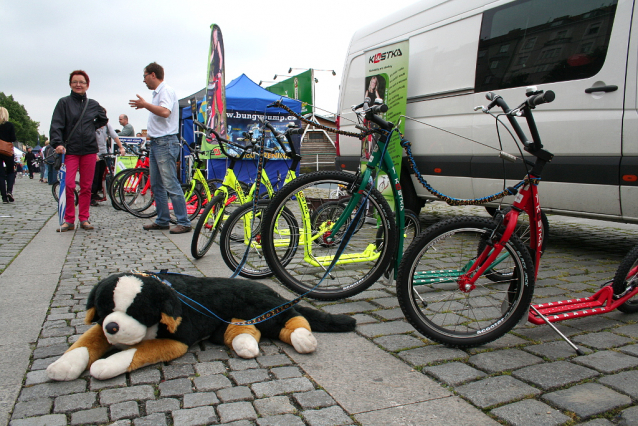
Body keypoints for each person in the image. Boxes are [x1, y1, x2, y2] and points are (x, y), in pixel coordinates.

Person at [129, 62, 191, 234]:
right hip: (158, 142)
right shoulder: (159, 93)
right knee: (156, 184)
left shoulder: (165, 91)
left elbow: (165, 112)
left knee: (171, 183)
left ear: (153, 75)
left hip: (165, 142)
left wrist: (145, 105)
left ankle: (184, 221)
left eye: (145, 76)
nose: (144, 80)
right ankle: (163, 219)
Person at [50, 70, 108, 232]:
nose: (78, 85)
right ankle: (69, 219)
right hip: (70, 150)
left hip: (89, 150)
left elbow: (103, 118)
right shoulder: (64, 103)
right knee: (68, 185)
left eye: (82, 82)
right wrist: (58, 143)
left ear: (87, 85)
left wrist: (91, 128)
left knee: (86, 186)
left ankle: (84, 218)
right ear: (70, 84)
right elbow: (56, 125)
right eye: (75, 82)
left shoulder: (93, 104)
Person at [93, 117, 126, 206]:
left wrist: (121, 147)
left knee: (102, 175)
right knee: (94, 177)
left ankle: (96, 193)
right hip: (94, 153)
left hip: (104, 153)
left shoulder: (107, 126)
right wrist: (94, 153)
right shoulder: (93, 125)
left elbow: (114, 136)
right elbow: (89, 140)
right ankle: (90, 195)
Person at [0, 107, 16, 203]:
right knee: (10, 171)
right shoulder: (9, 125)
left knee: (0, 175)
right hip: (7, 151)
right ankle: (9, 191)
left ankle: (4, 197)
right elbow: (13, 138)